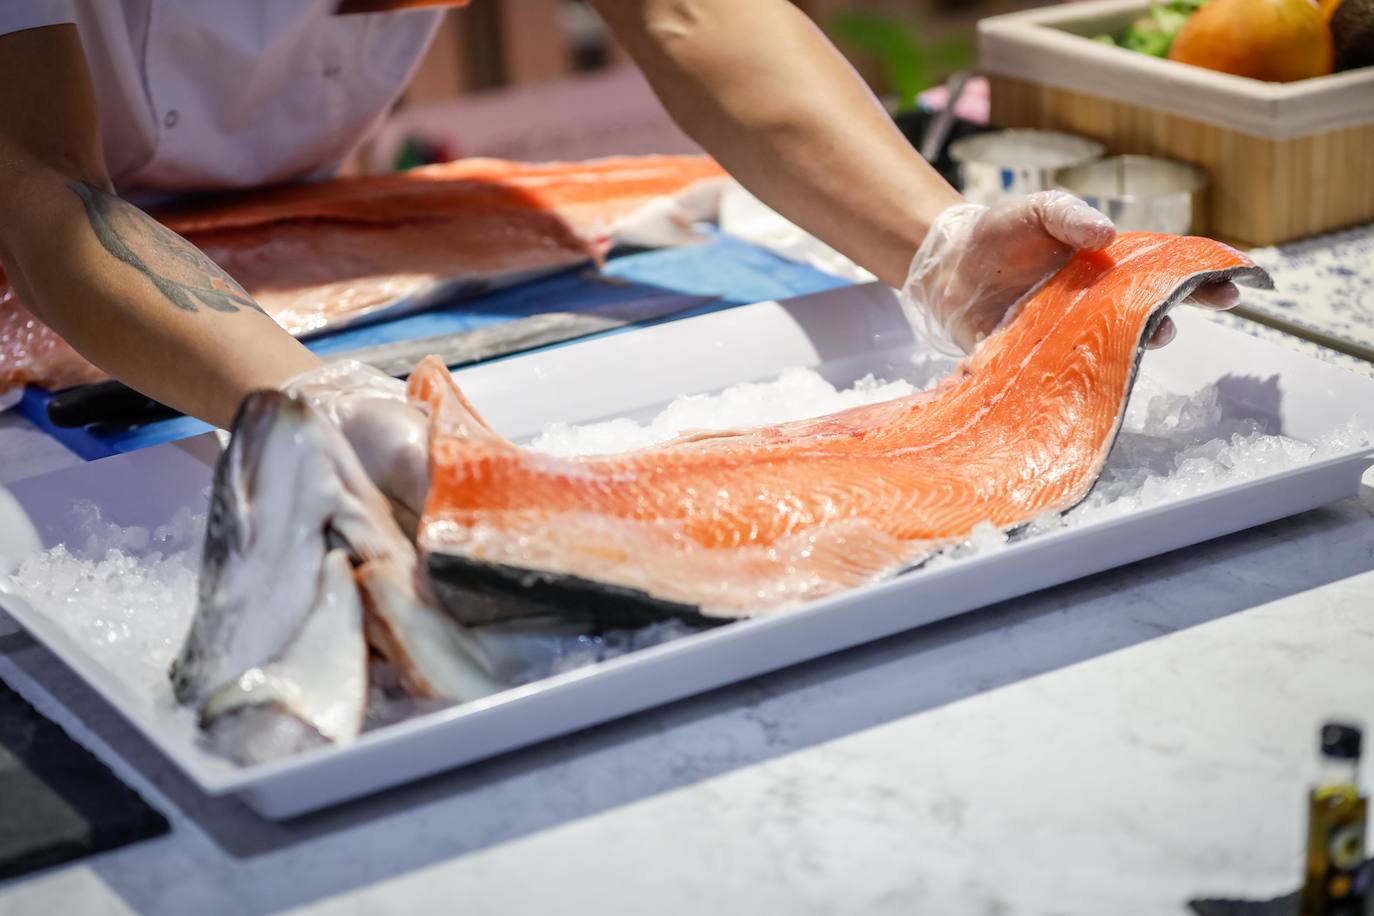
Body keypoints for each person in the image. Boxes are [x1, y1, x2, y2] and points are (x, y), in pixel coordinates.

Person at [0, 1, 1236, 517]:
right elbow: (42, 184)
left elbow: (695, 17)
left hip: (303, 211)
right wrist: (310, 401)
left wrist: (940, 243)